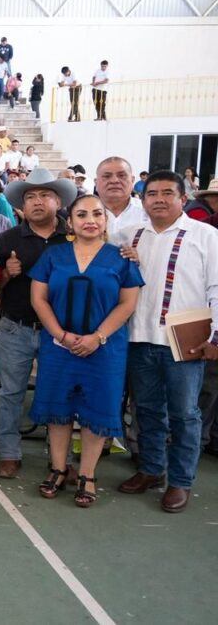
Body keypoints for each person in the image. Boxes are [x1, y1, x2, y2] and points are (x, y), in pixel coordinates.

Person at [28, 194, 143, 507]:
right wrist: (61, 335)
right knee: (58, 409)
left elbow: (127, 304)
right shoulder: (53, 256)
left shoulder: (121, 258)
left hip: (104, 349)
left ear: (105, 221)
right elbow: (38, 298)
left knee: (96, 410)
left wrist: (97, 337)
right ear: (70, 221)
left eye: (96, 214)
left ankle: (87, 474)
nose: (90, 220)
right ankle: (58, 468)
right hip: (58, 348)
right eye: (81, 215)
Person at [115, 171, 218, 513]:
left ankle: (180, 480)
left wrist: (216, 335)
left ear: (183, 198)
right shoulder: (130, 235)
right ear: (143, 200)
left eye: (167, 193)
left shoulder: (205, 236)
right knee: (146, 409)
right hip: (139, 336)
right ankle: (151, 469)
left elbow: (216, 288)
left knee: (184, 414)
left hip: (185, 339)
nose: (159, 199)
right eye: (152, 193)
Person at [0, 168, 75, 478]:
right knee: (10, 394)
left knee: (61, 394)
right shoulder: (7, 239)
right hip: (16, 327)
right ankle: (9, 453)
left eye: (45, 195)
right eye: (30, 197)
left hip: (61, 331)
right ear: (22, 205)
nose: (37, 202)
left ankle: (61, 459)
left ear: (58, 201)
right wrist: (6, 273)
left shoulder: (73, 238)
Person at [97, 156, 148, 233]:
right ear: (96, 182)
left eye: (122, 176)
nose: (114, 181)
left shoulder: (148, 212)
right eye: (107, 176)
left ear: (132, 180)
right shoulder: (82, 214)